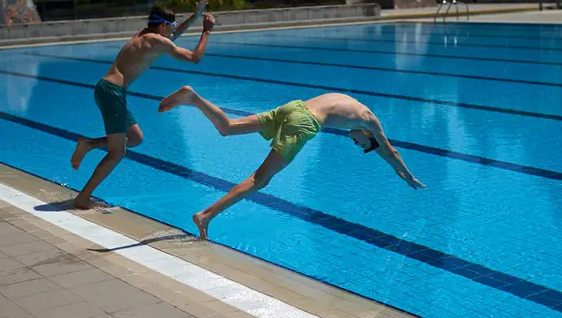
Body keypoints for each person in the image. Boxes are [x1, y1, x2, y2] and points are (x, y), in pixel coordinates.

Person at [157, 87, 426, 239]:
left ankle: (193, 98)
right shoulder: (369, 120)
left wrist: (396, 170)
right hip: (303, 123)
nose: (356, 144)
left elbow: (380, 149)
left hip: (294, 107)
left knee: (228, 127)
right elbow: (389, 150)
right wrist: (406, 175)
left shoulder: (349, 101)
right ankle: (205, 215)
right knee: (259, 180)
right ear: (368, 135)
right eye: (362, 144)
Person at [70, 0, 215, 209]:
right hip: (113, 93)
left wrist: (194, 16)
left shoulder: (145, 35)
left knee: (135, 138)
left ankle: (89, 144)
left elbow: (171, 38)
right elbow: (194, 58)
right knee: (117, 152)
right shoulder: (156, 41)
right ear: (163, 25)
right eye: (171, 27)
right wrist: (206, 31)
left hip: (108, 90)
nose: (173, 31)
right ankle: (83, 197)